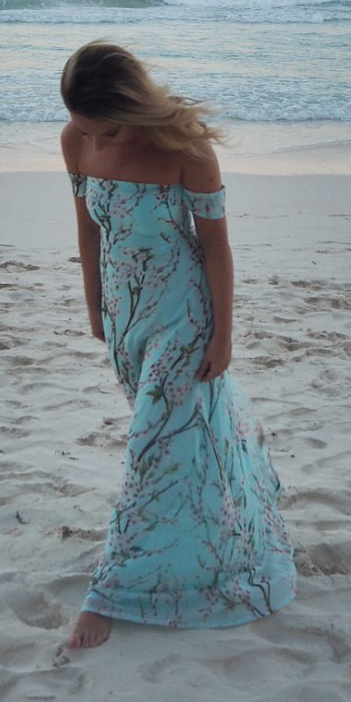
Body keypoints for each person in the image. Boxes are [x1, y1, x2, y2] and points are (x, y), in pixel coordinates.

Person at [60, 41, 296, 648]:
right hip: (125, 316)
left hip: (183, 316)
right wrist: (95, 307)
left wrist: (224, 331)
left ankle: (108, 593)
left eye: (106, 128)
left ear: (130, 108)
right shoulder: (75, 141)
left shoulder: (186, 150)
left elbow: (215, 247)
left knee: (149, 445)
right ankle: (210, 538)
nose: (98, 142)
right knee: (179, 445)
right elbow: (89, 229)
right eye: (87, 130)